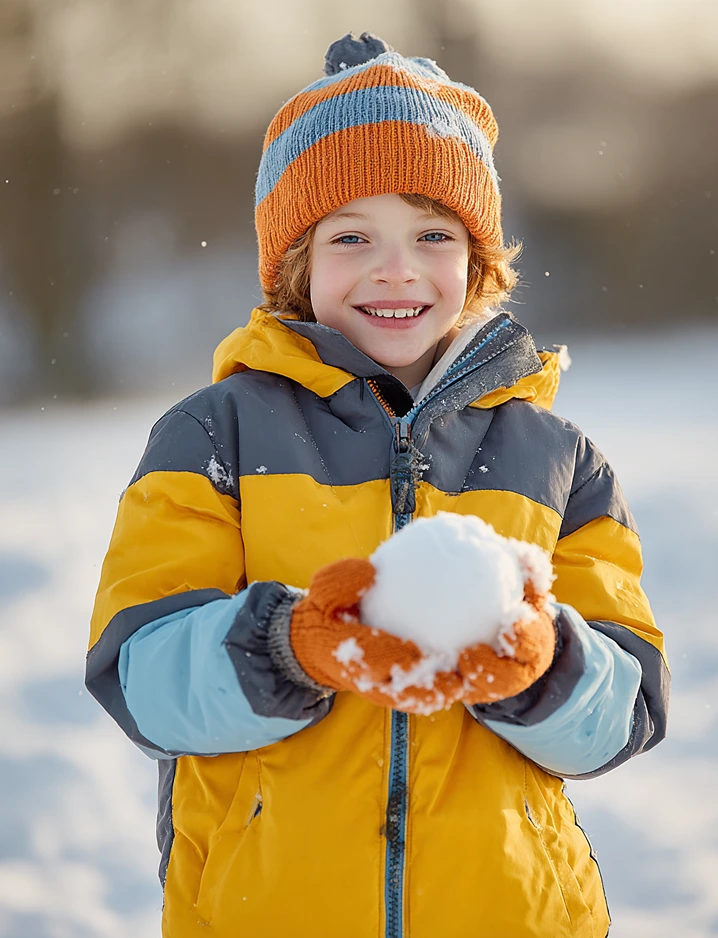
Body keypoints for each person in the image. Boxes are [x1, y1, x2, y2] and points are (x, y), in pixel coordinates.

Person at [86, 31, 669, 938]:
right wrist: (290, 647)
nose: (395, 268)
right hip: (269, 910)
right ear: (296, 264)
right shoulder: (215, 436)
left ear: (476, 264)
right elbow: (140, 676)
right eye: (351, 236)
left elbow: (624, 711)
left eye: (432, 235)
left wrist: (542, 664)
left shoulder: (557, 462)